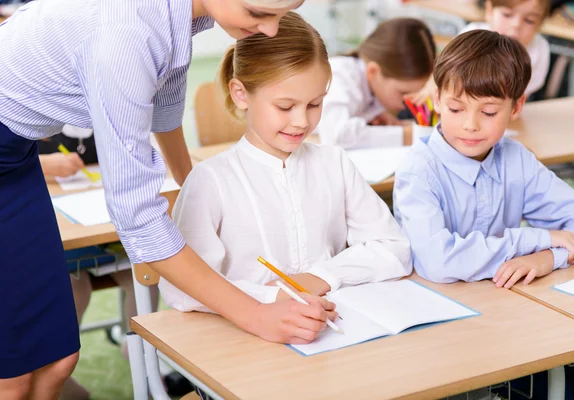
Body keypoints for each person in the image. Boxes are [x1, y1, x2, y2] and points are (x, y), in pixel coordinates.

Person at [0, 0, 333, 397]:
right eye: (259, 13)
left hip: (15, 158)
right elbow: (136, 218)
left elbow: (165, 106)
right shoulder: (124, 35)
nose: (272, 30)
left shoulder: (180, 12)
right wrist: (257, 315)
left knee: (57, 360)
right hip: (11, 149)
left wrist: (200, 189)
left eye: (281, 13)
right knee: (14, 375)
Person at [159, 12, 413, 313]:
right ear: (241, 94)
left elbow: (394, 248)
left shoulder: (334, 163)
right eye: (285, 106)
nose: (302, 121)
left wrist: (318, 278)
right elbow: (182, 289)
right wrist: (268, 298)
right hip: (244, 340)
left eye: (315, 104)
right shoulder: (209, 181)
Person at [393, 29, 574, 288]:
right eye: (456, 109)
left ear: (516, 107)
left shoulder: (516, 161)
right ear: (437, 100)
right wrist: (537, 239)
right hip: (433, 302)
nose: (470, 125)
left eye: (489, 112)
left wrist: (549, 257)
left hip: (500, 299)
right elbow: (439, 263)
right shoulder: (419, 170)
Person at [314, 18, 436, 149]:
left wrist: (370, 116)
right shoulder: (340, 74)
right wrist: (407, 135)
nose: (409, 102)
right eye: (403, 93)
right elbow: (336, 135)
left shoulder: (372, 87)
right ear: (373, 71)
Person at [408, 0, 551, 105]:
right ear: (489, 11)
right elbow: (445, 70)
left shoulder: (539, 50)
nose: (516, 25)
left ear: (540, 24)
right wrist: (431, 88)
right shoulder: (472, 35)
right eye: (507, 15)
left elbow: (526, 91)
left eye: (530, 20)